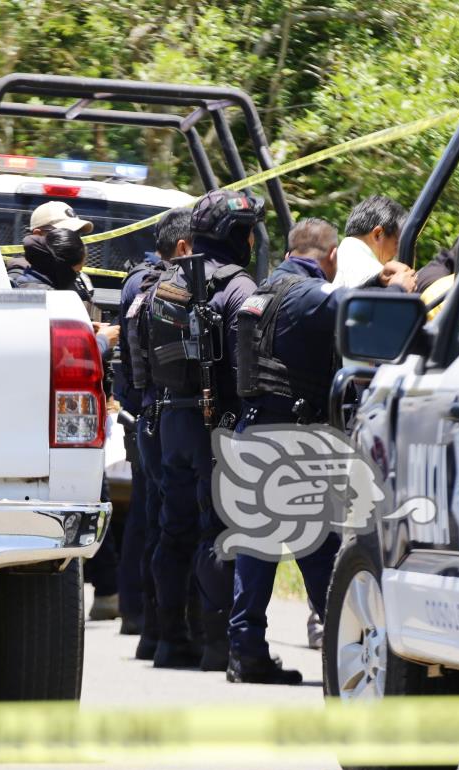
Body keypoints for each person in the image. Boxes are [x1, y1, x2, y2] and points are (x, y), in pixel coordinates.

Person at [227, 217, 408, 684]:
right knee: (322, 550)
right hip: (295, 437)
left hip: (255, 431)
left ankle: (246, 650)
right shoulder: (308, 293)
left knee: (259, 549)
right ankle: (346, 640)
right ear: (330, 258)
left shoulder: (261, 291)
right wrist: (398, 286)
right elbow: (355, 311)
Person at [144, 189, 262, 670]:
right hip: (219, 425)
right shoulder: (239, 289)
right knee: (219, 534)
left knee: (174, 532)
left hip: (171, 423)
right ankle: (216, 643)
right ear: (238, 236)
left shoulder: (164, 283)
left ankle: (170, 640)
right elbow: (246, 369)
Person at [11, 226, 122, 619]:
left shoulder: (16, 282)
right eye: (75, 270)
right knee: (85, 502)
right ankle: (95, 589)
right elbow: (56, 357)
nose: (78, 279)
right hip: (51, 424)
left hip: (17, 425)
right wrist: (102, 341)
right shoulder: (43, 297)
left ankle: (104, 592)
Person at [116, 207, 194, 658]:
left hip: (142, 415)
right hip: (172, 416)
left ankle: (144, 622)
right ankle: (170, 630)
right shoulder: (173, 287)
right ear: (183, 248)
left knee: (149, 520)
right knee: (174, 523)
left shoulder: (136, 284)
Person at [333, 195, 417, 290]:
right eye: (397, 243)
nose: (396, 253)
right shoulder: (375, 274)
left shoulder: (331, 263)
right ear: (378, 234)